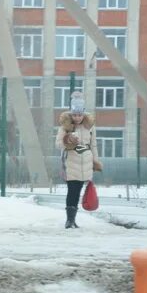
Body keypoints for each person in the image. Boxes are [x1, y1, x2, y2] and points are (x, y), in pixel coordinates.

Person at [56, 90, 96, 229]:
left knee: (78, 191)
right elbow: (58, 144)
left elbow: (93, 145)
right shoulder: (65, 126)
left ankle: (73, 219)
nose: (77, 117)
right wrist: (69, 141)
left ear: (83, 113)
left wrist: (95, 161)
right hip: (71, 163)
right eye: (74, 114)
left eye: (79, 114)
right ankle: (69, 220)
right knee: (72, 190)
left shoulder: (89, 127)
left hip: (85, 162)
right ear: (71, 114)